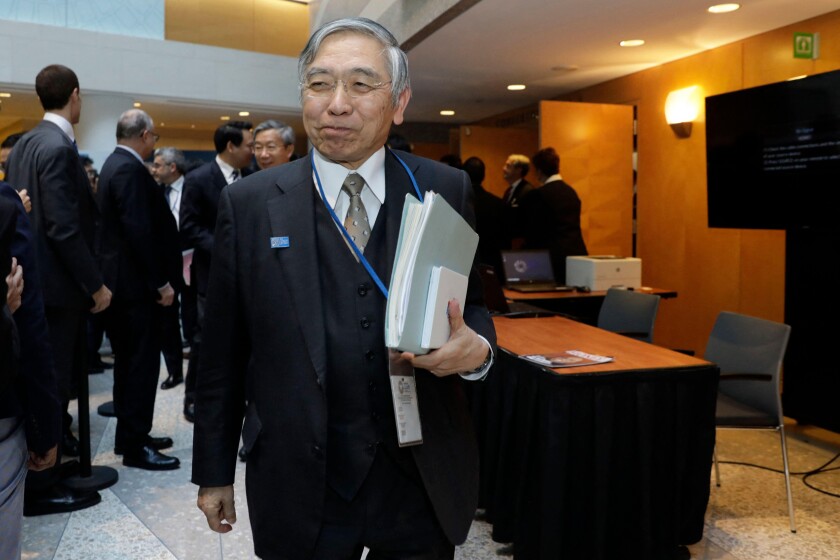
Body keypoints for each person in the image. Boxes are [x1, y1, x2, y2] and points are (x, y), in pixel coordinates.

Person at [193, 17, 495, 560]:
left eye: (360, 84)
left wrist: (478, 350)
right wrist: (213, 472)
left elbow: (470, 303)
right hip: (299, 475)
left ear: (398, 103)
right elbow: (221, 351)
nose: (336, 104)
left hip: (418, 477)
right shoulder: (251, 204)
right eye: (319, 83)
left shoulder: (442, 187)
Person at [4, 64, 112, 509]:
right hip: (59, 290)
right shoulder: (60, 147)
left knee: (41, 379)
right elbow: (63, 227)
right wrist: (95, 285)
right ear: (75, 95)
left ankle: (42, 470)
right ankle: (43, 485)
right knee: (53, 380)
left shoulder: (26, 142)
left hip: (29, 282)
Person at [96, 109, 179, 470]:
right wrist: (159, 282)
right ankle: (135, 445)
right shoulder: (128, 169)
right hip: (135, 290)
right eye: (154, 137)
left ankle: (132, 436)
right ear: (144, 135)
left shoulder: (113, 164)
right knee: (140, 367)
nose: (153, 143)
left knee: (131, 366)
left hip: (124, 287)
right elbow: (138, 232)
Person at [179, 121, 253, 423]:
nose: (253, 150)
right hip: (211, 272)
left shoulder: (251, 178)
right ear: (231, 146)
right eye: (249, 144)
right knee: (204, 337)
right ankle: (193, 396)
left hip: (248, 274)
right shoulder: (198, 179)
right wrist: (226, 247)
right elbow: (189, 227)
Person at [519, 147, 588, 283]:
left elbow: (533, 231)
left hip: (550, 260)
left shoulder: (538, 195)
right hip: (578, 256)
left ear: (538, 171)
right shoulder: (571, 192)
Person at [151, 147, 189, 390]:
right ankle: (175, 371)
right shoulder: (157, 192)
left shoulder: (194, 187)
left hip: (194, 261)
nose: (154, 169)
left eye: (158, 165)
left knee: (195, 323)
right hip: (168, 266)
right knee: (168, 324)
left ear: (172, 167)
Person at [463, 156, 508, 277]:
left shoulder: (458, 202)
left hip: (465, 265)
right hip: (493, 267)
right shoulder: (498, 203)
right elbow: (505, 239)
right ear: (483, 176)